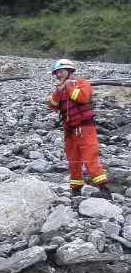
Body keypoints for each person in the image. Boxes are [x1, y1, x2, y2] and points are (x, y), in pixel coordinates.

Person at [47, 59, 112, 198]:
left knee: (90, 158)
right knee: (73, 160)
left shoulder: (82, 83)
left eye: (61, 71)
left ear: (70, 71)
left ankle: (104, 190)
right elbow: (53, 105)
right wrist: (57, 92)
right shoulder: (60, 88)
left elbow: (82, 98)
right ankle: (76, 190)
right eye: (56, 73)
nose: (58, 75)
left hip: (85, 128)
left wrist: (69, 87)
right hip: (70, 131)